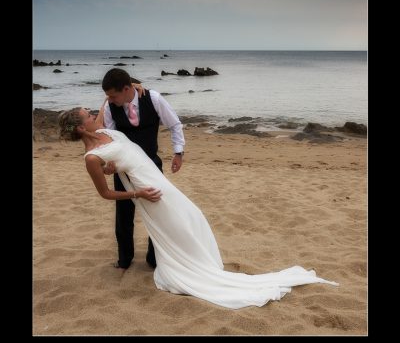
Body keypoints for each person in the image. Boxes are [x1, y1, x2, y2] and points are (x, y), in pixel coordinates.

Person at [58, 104, 338, 310]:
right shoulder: (91, 157)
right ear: (82, 127)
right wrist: (137, 192)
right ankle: (187, 268)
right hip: (148, 189)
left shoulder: (107, 131)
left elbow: (108, 107)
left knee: (192, 215)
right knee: (175, 224)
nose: (96, 114)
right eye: (89, 115)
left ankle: (200, 261)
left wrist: (130, 89)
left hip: (157, 181)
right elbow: (106, 194)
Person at [101, 69, 185, 270]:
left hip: (151, 166)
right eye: (108, 97)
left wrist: (178, 153)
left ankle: (154, 258)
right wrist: (110, 163)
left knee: (157, 212)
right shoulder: (109, 108)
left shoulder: (153, 98)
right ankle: (124, 259)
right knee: (124, 215)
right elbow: (109, 138)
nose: (110, 100)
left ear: (127, 88)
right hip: (123, 170)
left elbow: (175, 124)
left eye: (113, 96)